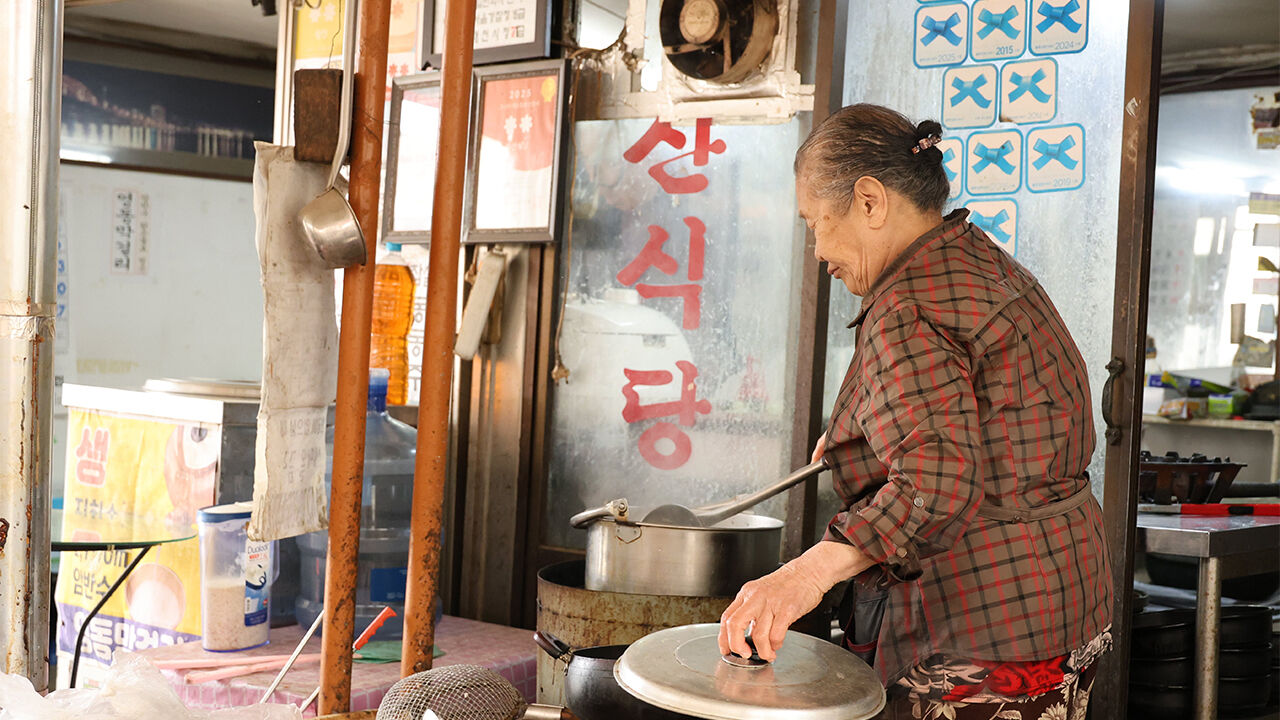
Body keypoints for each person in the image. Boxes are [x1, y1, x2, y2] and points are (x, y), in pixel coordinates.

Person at [717, 104, 1113, 720]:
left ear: (870, 201)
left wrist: (804, 575)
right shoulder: (973, 260)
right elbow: (993, 409)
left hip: (981, 630)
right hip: (1067, 602)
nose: (819, 251)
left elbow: (937, 484)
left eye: (817, 222)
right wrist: (859, 428)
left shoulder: (905, 306)